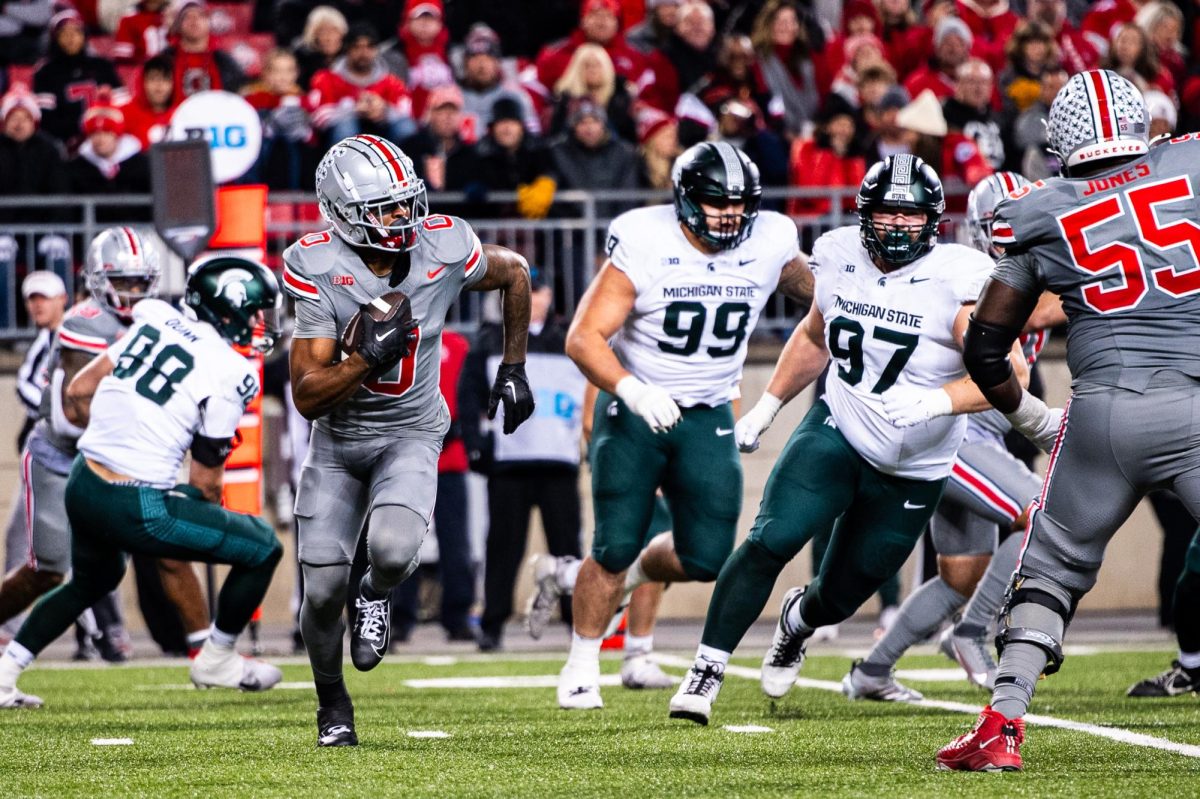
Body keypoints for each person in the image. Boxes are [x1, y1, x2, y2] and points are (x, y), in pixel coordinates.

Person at [668, 154, 1026, 726]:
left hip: (916, 465)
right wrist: (767, 406)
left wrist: (937, 400)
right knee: (770, 538)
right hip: (840, 428)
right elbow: (814, 335)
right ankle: (705, 671)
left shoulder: (960, 277)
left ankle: (798, 623)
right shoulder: (836, 254)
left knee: (841, 593)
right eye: (887, 212)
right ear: (865, 214)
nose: (898, 225)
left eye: (911, 215)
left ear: (934, 220)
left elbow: (1012, 375)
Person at [934, 68, 1197, 772]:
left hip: (1103, 410)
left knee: (1048, 570)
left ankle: (1001, 724)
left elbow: (985, 345)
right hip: (1197, 400)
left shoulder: (1040, 209)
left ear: (1060, 140)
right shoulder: (1192, 160)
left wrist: (1027, 417)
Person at [285, 134, 534, 747]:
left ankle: (373, 594)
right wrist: (362, 360)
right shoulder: (316, 264)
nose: (405, 218)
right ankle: (331, 702)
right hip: (338, 441)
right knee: (318, 590)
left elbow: (516, 272)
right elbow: (308, 395)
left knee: (395, 553)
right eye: (388, 208)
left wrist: (513, 366)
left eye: (407, 202)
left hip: (412, 432)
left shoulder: (443, 245)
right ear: (343, 211)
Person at [554, 141, 814, 709]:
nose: (731, 215)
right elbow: (583, 336)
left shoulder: (770, 239)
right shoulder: (646, 241)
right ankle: (580, 662)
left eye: (741, 204)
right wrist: (630, 388)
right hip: (637, 407)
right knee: (615, 542)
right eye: (717, 202)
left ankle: (635, 578)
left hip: (708, 410)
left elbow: (816, 292)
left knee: (707, 556)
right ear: (685, 200)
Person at [0, 256, 286, 709]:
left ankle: (4, 673)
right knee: (263, 546)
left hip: (83, 479)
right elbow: (207, 485)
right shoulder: (232, 374)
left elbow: (79, 389)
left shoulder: (157, 318)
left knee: (92, 580)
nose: (260, 322)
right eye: (255, 311)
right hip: (133, 501)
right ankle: (218, 657)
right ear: (227, 310)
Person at [841, 171, 1067, 701]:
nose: (1021, 237)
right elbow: (1035, 309)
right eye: (1010, 227)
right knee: (1041, 514)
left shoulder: (1020, 267)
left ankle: (871, 673)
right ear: (982, 229)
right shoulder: (974, 275)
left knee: (962, 575)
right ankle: (970, 633)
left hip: (974, 437)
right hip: (953, 431)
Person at [462, 267, 584, 652]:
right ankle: (493, 624)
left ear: (549, 296)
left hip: (559, 462)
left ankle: (578, 624)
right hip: (510, 462)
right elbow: (468, 399)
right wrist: (475, 446)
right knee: (502, 547)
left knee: (567, 548)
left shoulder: (570, 340)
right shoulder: (486, 342)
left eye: (538, 292)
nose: (532, 300)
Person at [2, 272, 67, 643]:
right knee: (44, 551)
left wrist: (52, 406)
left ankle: (105, 633)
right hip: (52, 455)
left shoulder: (71, 335)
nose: (37, 305)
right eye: (32, 299)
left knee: (62, 555)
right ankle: (104, 634)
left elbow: (33, 389)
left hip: (65, 456)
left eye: (44, 297)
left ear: (62, 298)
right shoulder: (45, 340)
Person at [309, 22, 416, 145]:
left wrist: (384, 110)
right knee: (346, 127)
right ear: (347, 49)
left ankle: (400, 164)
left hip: (384, 135)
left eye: (369, 47)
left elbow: (408, 112)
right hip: (341, 137)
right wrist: (354, 110)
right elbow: (317, 117)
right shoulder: (327, 78)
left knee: (406, 127)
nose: (363, 52)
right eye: (357, 47)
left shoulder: (391, 81)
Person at [32, 9, 124, 148]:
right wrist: (76, 134)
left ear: (84, 35)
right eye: (64, 33)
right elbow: (46, 119)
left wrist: (102, 131)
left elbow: (122, 106)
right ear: (54, 38)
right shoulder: (45, 72)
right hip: (65, 141)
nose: (71, 38)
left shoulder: (102, 66)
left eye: (76, 32)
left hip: (106, 136)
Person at [161, 0, 245, 98]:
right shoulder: (165, 59)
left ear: (209, 23)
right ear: (178, 25)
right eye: (187, 17)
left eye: (200, 16)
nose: (194, 20)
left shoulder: (226, 62)